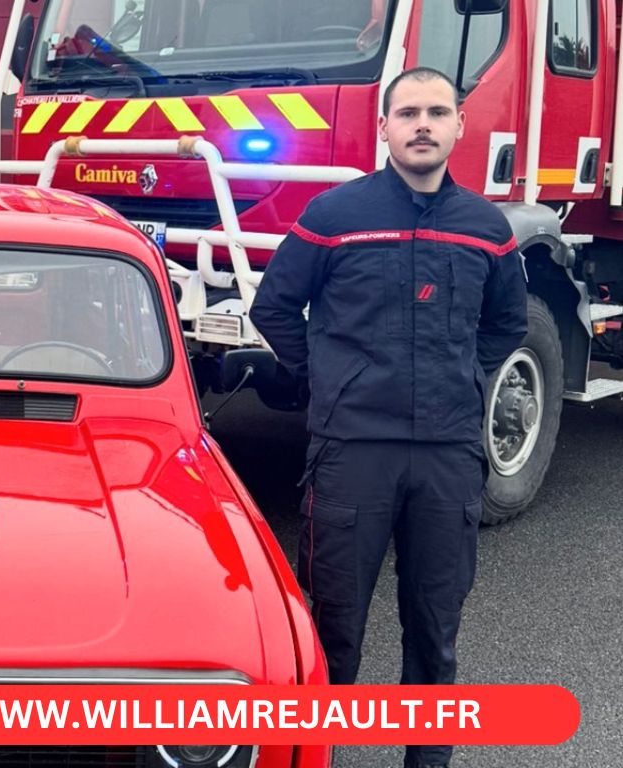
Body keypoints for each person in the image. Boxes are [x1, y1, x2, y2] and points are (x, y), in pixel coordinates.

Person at [250, 67, 527, 768]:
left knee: (434, 628)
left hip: (448, 454)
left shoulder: (488, 230)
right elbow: (274, 307)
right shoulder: (333, 217)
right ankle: (312, 754)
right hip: (353, 451)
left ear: (460, 125)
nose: (423, 124)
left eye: (438, 112)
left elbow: (506, 324)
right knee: (334, 624)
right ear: (385, 128)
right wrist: (328, 378)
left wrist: (462, 377)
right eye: (408, 113)